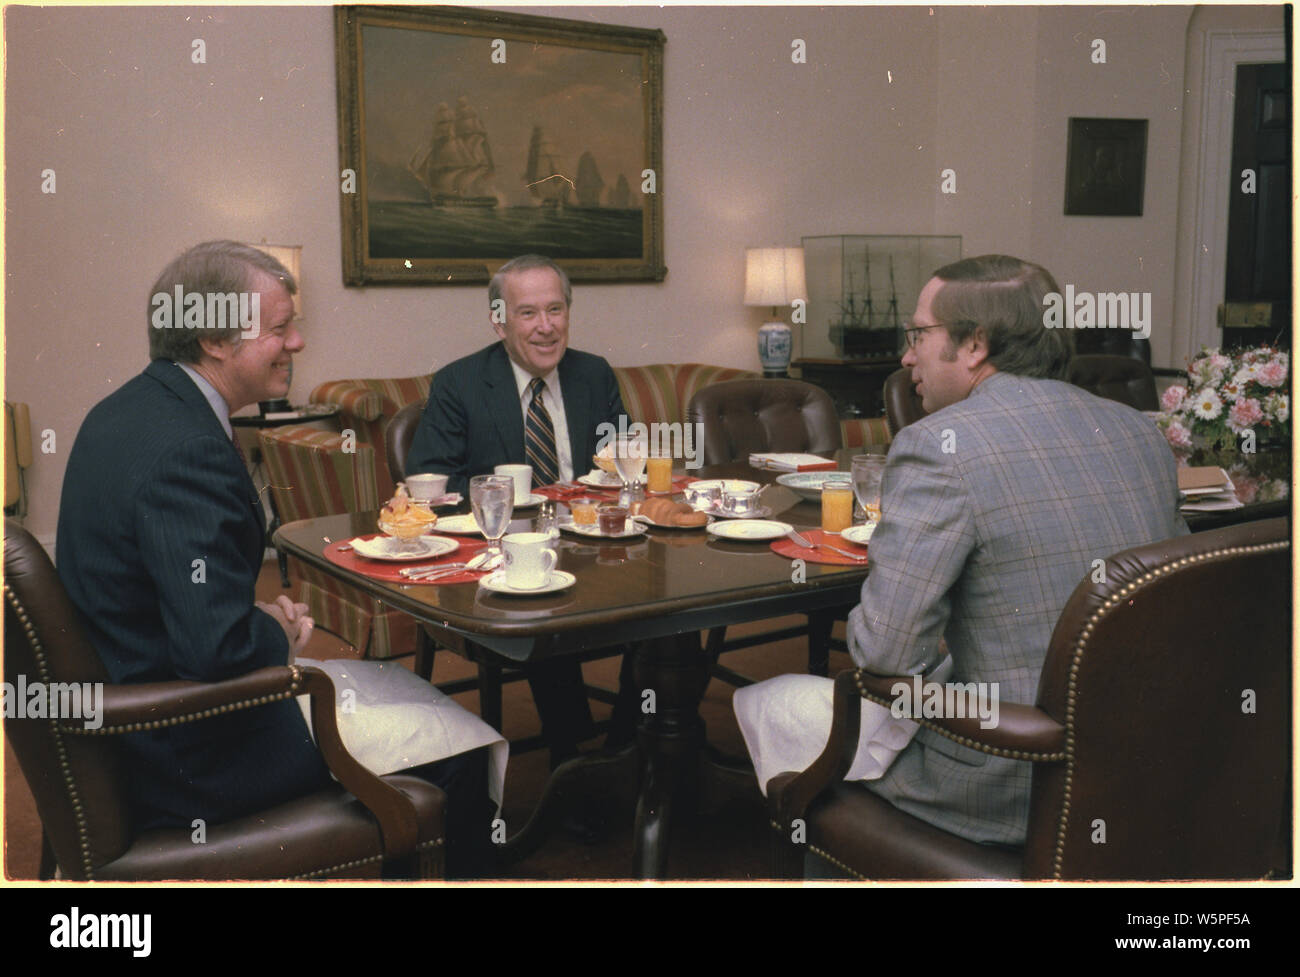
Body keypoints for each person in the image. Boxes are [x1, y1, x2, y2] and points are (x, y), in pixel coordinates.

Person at [56, 240, 497, 874]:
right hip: (189, 755)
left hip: (128, 722)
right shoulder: (189, 450)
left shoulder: (126, 411)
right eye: (282, 328)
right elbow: (214, 652)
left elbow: (168, 594)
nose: (296, 344)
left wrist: (245, 613)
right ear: (214, 339)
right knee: (462, 749)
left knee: (405, 692)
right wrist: (276, 629)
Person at [736, 254, 1186, 851]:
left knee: (769, 699)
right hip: (1151, 765)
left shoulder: (936, 448)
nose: (906, 355)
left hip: (1013, 779)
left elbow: (884, 657)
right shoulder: (1139, 432)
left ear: (975, 344)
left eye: (918, 334)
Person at [407, 254, 630, 766]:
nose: (546, 327)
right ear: (499, 319)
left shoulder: (593, 374)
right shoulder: (459, 384)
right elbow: (431, 488)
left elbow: (622, 463)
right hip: (506, 553)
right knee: (539, 606)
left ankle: (630, 740)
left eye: (556, 309)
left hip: (596, 543)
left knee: (672, 600)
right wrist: (503, 498)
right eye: (528, 313)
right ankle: (573, 762)